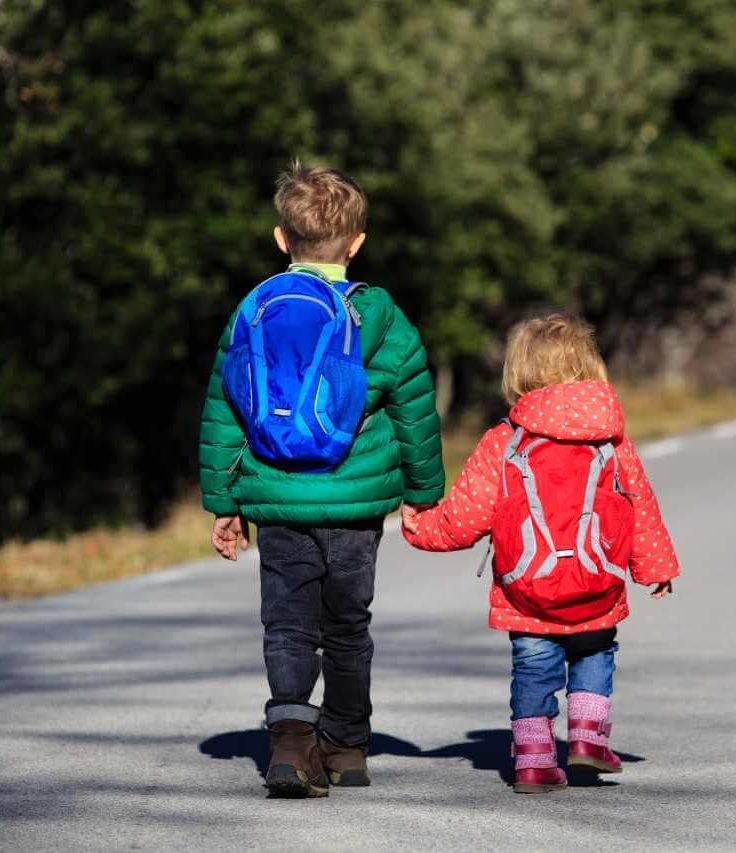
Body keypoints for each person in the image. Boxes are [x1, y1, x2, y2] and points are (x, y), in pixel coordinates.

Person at [198, 161, 444, 797]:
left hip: (278, 500)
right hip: (357, 506)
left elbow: (225, 408)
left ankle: (288, 741)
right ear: (357, 243)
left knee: (287, 625)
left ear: (282, 239)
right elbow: (414, 410)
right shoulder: (381, 315)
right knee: (347, 626)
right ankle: (348, 746)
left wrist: (224, 502)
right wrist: (422, 496)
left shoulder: (254, 309)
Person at [402, 313, 679, 794]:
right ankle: (589, 739)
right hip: (599, 579)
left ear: (519, 372)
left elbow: (465, 519)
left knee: (533, 667)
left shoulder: (504, 440)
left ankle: (533, 760)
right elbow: (639, 505)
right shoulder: (611, 440)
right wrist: (655, 566)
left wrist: (419, 528)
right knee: (594, 650)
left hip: (525, 591)